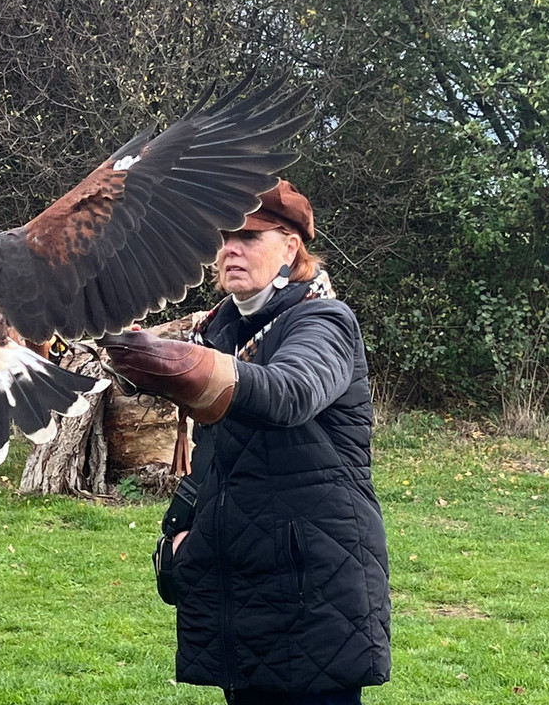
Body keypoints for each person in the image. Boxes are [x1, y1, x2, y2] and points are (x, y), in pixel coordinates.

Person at [102, 180, 390, 704]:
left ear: (290, 246)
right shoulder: (223, 327)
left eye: (250, 236)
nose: (231, 249)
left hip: (309, 587)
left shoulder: (325, 321)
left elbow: (292, 392)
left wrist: (194, 367)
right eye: (225, 237)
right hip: (243, 580)